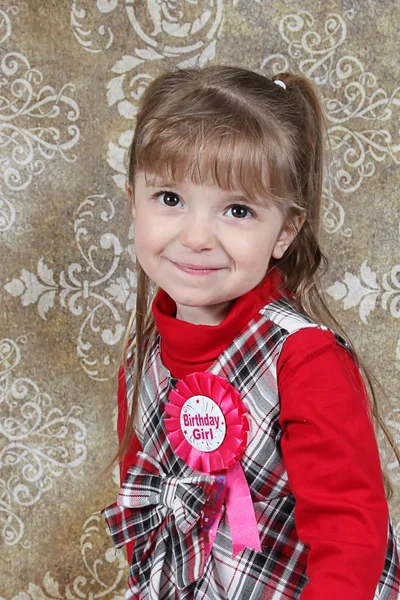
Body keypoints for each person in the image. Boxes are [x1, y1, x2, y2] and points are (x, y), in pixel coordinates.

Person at [100, 65, 400, 600]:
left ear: (284, 231)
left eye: (237, 209)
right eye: (169, 198)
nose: (195, 237)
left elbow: (350, 532)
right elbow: (145, 499)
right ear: (132, 200)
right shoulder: (142, 353)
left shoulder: (303, 359)